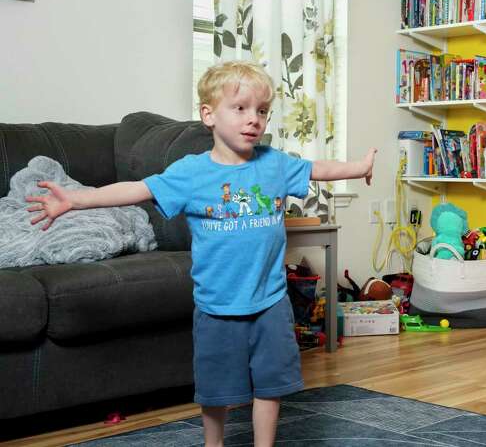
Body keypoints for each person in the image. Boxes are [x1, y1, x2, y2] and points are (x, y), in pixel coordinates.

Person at [26, 61, 377, 446]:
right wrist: (75, 199)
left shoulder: (273, 163)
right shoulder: (190, 173)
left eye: (261, 110)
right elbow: (136, 189)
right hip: (216, 304)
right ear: (208, 115)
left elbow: (317, 168)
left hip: (270, 300)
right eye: (240, 108)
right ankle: (213, 443)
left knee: (271, 382)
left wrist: (357, 167)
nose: (253, 119)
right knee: (216, 389)